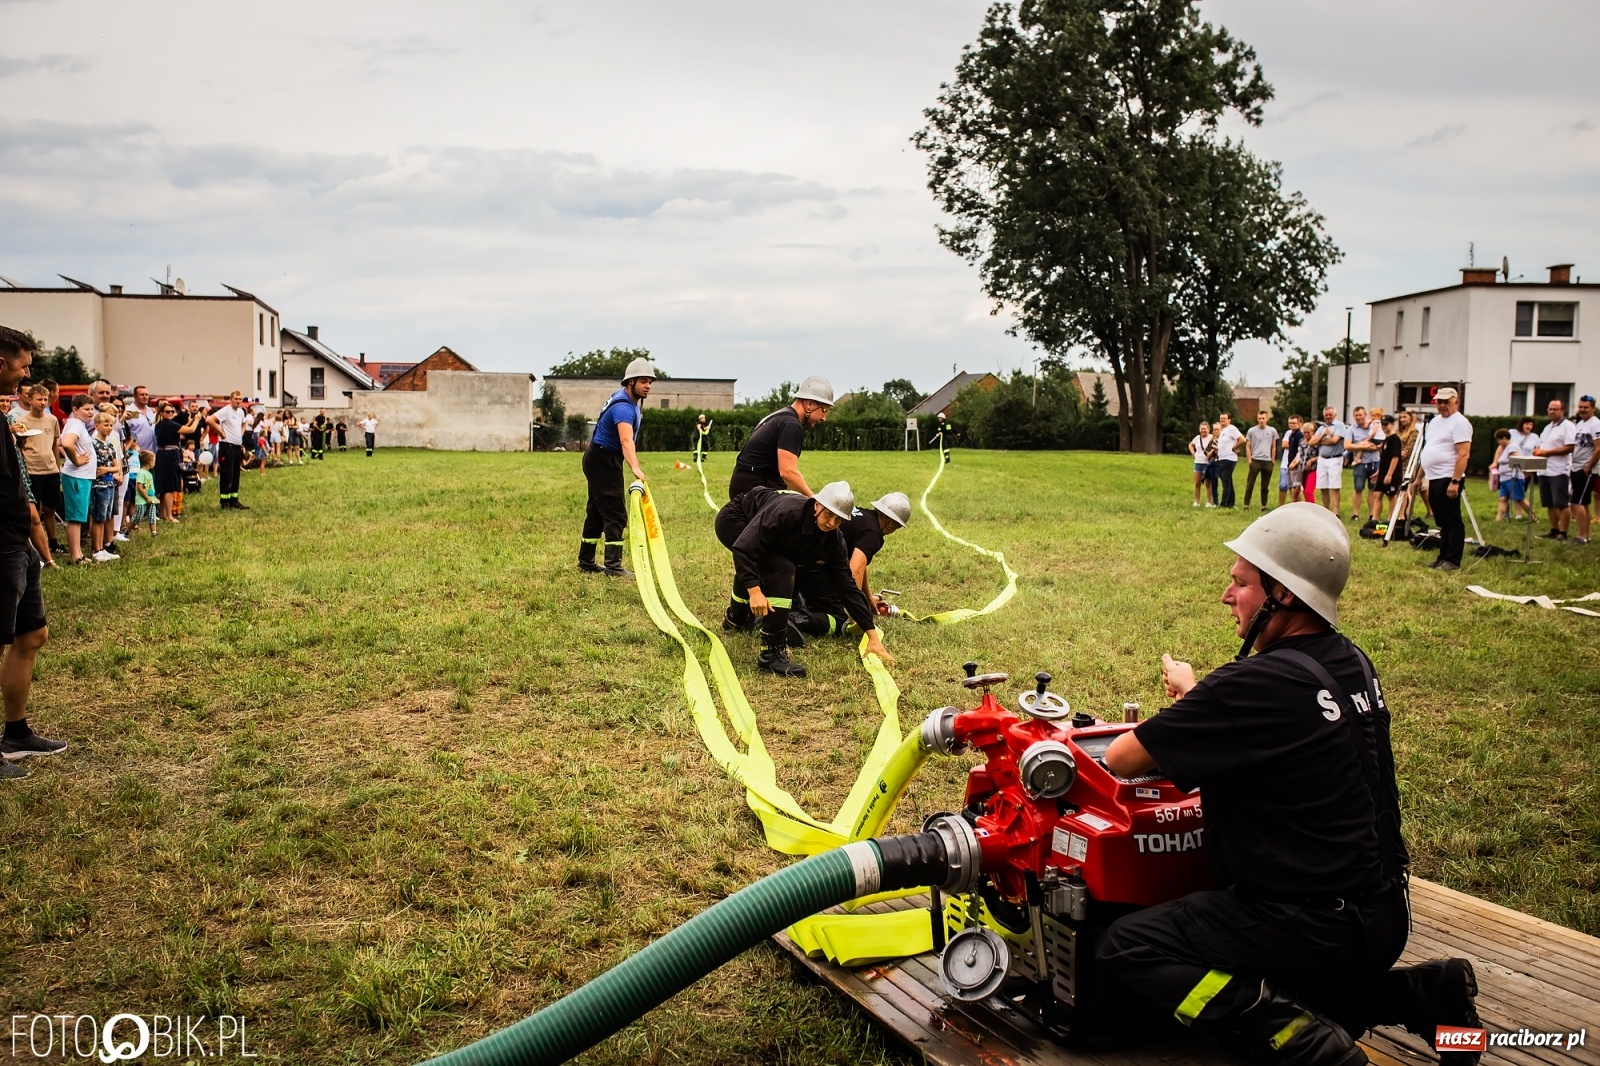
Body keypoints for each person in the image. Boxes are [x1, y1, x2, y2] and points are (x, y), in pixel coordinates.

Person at [1097, 504, 1481, 1066]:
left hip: (1308, 928)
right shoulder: (1351, 662)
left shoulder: (1249, 684)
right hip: (1382, 916)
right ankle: (1431, 995)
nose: (1227, 596)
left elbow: (1123, 758)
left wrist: (1196, 698)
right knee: (1325, 1001)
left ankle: (1310, 1048)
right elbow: (1280, 722)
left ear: (1283, 594)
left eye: (1241, 583)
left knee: (1129, 946)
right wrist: (1200, 696)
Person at [715, 481, 893, 677]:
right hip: (735, 518)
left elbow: (847, 586)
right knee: (782, 568)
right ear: (817, 505)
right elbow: (744, 548)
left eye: (839, 520)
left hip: (764, 528)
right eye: (829, 514)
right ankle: (771, 655)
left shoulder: (835, 541)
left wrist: (871, 634)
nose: (831, 523)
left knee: (775, 564)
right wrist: (754, 590)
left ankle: (735, 620)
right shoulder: (787, 512)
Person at [0, 328, 65, 781]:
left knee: (32, 635)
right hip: (0, 543)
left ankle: (16, 733)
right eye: (22, 366)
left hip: (17, 538)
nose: (26, 375)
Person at [789, 491, 911, 642]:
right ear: (891, 524)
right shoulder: (873, 533)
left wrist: (867, 598)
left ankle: (798, 597)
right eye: (897, 526)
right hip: (811, 564)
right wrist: (856, 615)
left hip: (798, 557)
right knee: (840, 619)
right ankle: (793, 618)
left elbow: (861, 565)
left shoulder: (864, 517)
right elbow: (855, 572)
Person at [578, 359, 652, 577]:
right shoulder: (623, 407)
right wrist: (635, 467)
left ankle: (586, 561)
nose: (647, 386)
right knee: (616, 514)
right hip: (603, 460)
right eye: (643, 381)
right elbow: (626, 440)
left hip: (598, 457)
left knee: (596, 511)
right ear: (631, 382)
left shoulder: (626, 399)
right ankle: (613, 566)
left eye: (650, 382)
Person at [728, 376, 835, 501]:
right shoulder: (791, 425)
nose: (824, 418)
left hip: (744, 485)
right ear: (809, 404)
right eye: (824, 411)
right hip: (754, 490)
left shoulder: (779, 416)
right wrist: (814, 499)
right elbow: (788, 472)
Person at [1419, 388, 1472, 569]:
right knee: (1441, 521)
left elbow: (1463, 454)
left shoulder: (1460, 423)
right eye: (1439, 402)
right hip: (1434, 476)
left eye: (1446, 402)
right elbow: (1429, 449)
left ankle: (1453, 560)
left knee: (1452, 519)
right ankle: (1442, 557)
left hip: (1448, 476)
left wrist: (1455, 481)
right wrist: (1419, 477)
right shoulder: (1435, 422)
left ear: (1455, 402)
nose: (1442, 405)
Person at [17, 385, 62, 554]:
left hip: (50, 470)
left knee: (51, 508)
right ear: (30, 400)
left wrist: (57, 466)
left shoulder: (52, 420)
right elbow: (19, 445)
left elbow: (55, 445)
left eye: (45, 399)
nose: (43, 402)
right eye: (39, 399)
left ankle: (53, 541)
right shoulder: (22, 421)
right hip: (32, 470)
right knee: (35, 511)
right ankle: (35, 545)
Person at [57, 394, 96, 565]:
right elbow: (66, 443)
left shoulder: (76, 424)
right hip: (76, 477)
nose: (90, 412)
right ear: (75, 409)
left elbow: (59, 443)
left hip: (81, 477)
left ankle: (78, 553)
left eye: (92, 409)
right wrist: (76, 460)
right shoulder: (76, 425)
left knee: (79, 516)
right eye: (86, 409)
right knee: (75, 517)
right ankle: (75, 556)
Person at [1531, 398, 1575, 541]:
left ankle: (1563, 532)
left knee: (1561, 503)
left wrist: (1548, 453)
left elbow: (1570, 446)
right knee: (1549, 503)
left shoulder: (1568, 426)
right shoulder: (1547, 427)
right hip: (1544, 469)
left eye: (1555, 409)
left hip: (1559, 470)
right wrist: (1537, 450)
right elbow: (1542, 445)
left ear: (1562, 411)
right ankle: (1554, 529)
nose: (1552, 412)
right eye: (1550, 409)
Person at [88, 410, 122, 562]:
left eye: (111, 425)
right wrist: (107, 470)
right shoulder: (93, 444)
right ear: (96, 426)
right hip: (98, 486)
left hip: (109, 484)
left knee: (106, 517)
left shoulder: (109, 444)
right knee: (98, 518)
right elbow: (95, 468)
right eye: (105, 425)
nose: (109, 428)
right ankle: (96, 550)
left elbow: (116, 466)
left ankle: (102, 548)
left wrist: (107, 470)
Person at [208, 390, 249, 510]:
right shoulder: (226, 410)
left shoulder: (241, 412)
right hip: (227, 446)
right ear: (231, 399)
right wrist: (220, 432)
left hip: (237, 446)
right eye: (236, 399)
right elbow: (210, 420)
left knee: (236, 474)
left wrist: (241, 433)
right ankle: (224, 501)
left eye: (240, 399)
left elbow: (244, 423)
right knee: (227, 474)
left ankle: (234, 499)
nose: (238, 401)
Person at [1306, 406, 1349, 516]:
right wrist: (1323, 436)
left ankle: (1335, 512)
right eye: (1326, 415)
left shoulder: (1340, 426)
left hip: (1334, 458)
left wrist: (1319, 441)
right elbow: (1311, 442)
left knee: (1334, 486)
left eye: (1330, 414)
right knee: (1323, 486)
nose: (1328, 417)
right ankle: (1326, 511)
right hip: (1322, 459)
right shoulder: (1322, 428)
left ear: (1335, 415)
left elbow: (1334, 440)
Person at [1569, 395, 1598, 545]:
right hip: (1576, 466)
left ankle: (1581, 536)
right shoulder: (1580, 424)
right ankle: (1586, 534)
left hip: (1586, 468)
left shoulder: (1596, 424)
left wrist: (1588, 467)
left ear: (1593, 409)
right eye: (1580, 407)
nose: (1582, 410)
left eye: (1586, 407)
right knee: (1584, 502)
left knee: (1576, 503)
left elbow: (1598, 449)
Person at [1346, 407, 1380, 523]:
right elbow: (1347, 445)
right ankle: (1355, 514)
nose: (1358, 417)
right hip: (1360, 463)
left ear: (1365, 415)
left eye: (1360, 415)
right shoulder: (1351, 429)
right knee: (1358, 488)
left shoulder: (1374, 425)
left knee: (1373, 489)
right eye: (1356, 415)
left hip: (1375, 461)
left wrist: (1375, 447)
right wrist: (1363, 447)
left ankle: (1372, 515)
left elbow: (1382, 440)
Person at [1243, 411, 1280, 512]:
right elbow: (1248, 446)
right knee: (1250, 484)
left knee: (1265, 485)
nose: (1261, 420)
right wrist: (1249, 459)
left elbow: (1274, 446)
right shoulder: (1251, 431)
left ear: (1266, 419)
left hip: (1267, 461)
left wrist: (1272, 460)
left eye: (1263, 418)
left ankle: (1264, 505)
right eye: (1259, 418)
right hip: (1255, 460)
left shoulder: (1272, 431)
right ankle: (1246, 504)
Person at [1373, 414, 1403, 523]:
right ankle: (1374, 519)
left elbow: (1395, 457)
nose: (1384, 427)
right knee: (1377, 494)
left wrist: (1389, 474)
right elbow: (1385, 458)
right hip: (1383, 472)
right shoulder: (1386, 439)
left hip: (1392, 473)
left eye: (1386, 424)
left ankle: (1391, 519)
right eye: (1382, 424)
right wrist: (1379, 472)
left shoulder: (1395, 439)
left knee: (1391, 496)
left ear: (1392, 424)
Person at [1213, 412, 1243, 508]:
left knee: (1225, 480)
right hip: (1222, 458)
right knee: (1228, 480)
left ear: (1229, 420)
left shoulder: (1232, 429)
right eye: (1221, 418)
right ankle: (1231, 503)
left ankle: (1224, 503)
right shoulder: (1223, 430)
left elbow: (1242, 439)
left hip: (1229, 458)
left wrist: (1234, 448)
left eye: (1224, 418)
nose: (1222, 420)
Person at [1278, 414, 1305, 508]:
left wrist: (1295, 462)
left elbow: (1300, 450)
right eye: (1290, 423)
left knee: (1296, 488)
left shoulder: (1299, 435)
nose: (1292, 425)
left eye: (1294, 423)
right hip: (1289, 464)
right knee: (1290, 487)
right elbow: (1284, 445)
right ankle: (1293, 506)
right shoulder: (1291, 435)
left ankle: (1300, 506)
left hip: (1296, 465)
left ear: (1299, 423)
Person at [131, 450, 157, 536]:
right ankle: (127, 530)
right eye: (154, 461)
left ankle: (154, 532)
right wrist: (146, 497)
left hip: (151, 499)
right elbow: (139, 487)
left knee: (152, 515)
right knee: (137, 517)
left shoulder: (149, 473)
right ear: (150, 462)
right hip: (142, 500)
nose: (154, 463)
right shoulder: (141, 473)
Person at [1189, 422, 1214, 508]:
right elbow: (1190, 445)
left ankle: (1209, 502)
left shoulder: (1211, 437)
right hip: (1198, 462)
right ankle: (1197, 501)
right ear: (1199, 430)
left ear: (1208, 429)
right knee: (1197, 483)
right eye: (1201, 429)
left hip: (1207, 463)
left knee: (1208, 484)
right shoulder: (1197, 438)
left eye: (1205, 429)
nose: (1203, 430)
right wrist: (1193, 453)